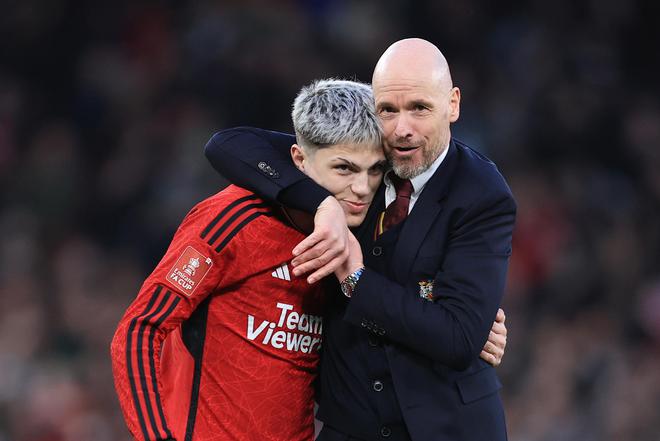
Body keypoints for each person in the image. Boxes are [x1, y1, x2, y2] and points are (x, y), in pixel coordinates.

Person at [204, 38, 516, 440]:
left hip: (446, 427)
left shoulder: (482, 192)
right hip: (351, 425)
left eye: (419, 108)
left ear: (452, 104)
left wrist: (356, 278)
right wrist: (323, 205)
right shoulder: (361, 161)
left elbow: (458, 338)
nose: (402, 129)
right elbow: (228, 146)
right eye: (388, 110)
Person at [110, 79, 386, 441]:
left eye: (375, 170)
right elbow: (140, 329)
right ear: (299, 160)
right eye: (344, 169)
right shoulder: (232, 219)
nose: (363, 188)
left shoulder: (363, 236)